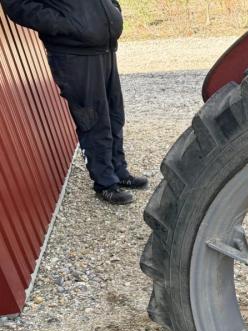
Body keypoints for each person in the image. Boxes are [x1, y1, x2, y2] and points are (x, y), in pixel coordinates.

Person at [1, 0, 147, 205]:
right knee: (93, 119)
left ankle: (119, 171)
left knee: (114, 114)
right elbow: (16, 4)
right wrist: (64, 25)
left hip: (104, 49)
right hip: (73, 54)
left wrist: (113, 11)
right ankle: (105, 183)